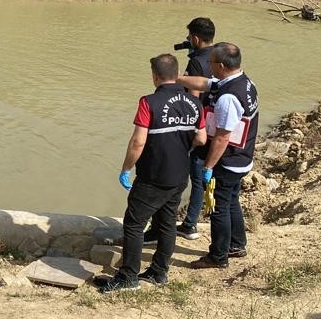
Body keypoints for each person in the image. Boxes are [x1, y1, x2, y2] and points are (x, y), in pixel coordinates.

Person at [97, 54, 206, 293]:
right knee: (167, 223)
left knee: (134, 223)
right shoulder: (195, 103)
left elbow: (138, 142)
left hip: (153, 175)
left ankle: (128, 277)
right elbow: (201, 138)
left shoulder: (149, 102)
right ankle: (159, 272)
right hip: (180, 175)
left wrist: (126, 168)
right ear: (177, 74)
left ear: (155, 76)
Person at [178, 42, 258, 269]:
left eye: (210, 62)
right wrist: (177, 79)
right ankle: (237, 244)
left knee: (218, 208)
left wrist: (208, 167)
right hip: (242, 158)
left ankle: (218, 256)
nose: (208, 66)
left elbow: (222, 137)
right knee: (232, 200)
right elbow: (204, 83)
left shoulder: (228, 98)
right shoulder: (243, 82)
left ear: (221, 65)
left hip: (228, 160)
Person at [144, 17, 216, 244]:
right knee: (199, 178)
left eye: (188, 37)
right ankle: (190, 221)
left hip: (195, 127)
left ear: (195, 38)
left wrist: (189, 130)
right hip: (212, 123)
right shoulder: (217, 57)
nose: (186, 40)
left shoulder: (195, 64)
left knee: (185, 176)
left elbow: (193, 99)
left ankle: (186, 224)